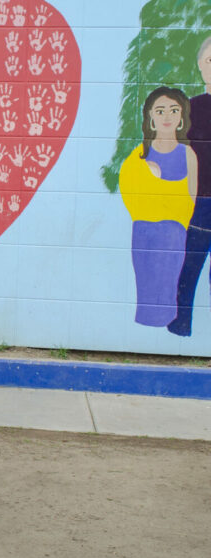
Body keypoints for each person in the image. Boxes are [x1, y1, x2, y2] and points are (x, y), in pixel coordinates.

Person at [119, 87, 197, 327]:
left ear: (181, 116)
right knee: (146, 285)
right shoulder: (139, 156)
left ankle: (165, 323)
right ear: (150, 117)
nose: (167, 116)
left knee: (167, 283)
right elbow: (129, 193)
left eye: (174, 110)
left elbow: (190, 198)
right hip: (143, 233)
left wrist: (174, 220)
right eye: (160, 110)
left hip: (173, 235)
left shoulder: (188, 154)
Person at [170, 36, 211, 336]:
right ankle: (180, 326)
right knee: (188, 268)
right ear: (200, 66)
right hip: (199, 202)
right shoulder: (190, 109)